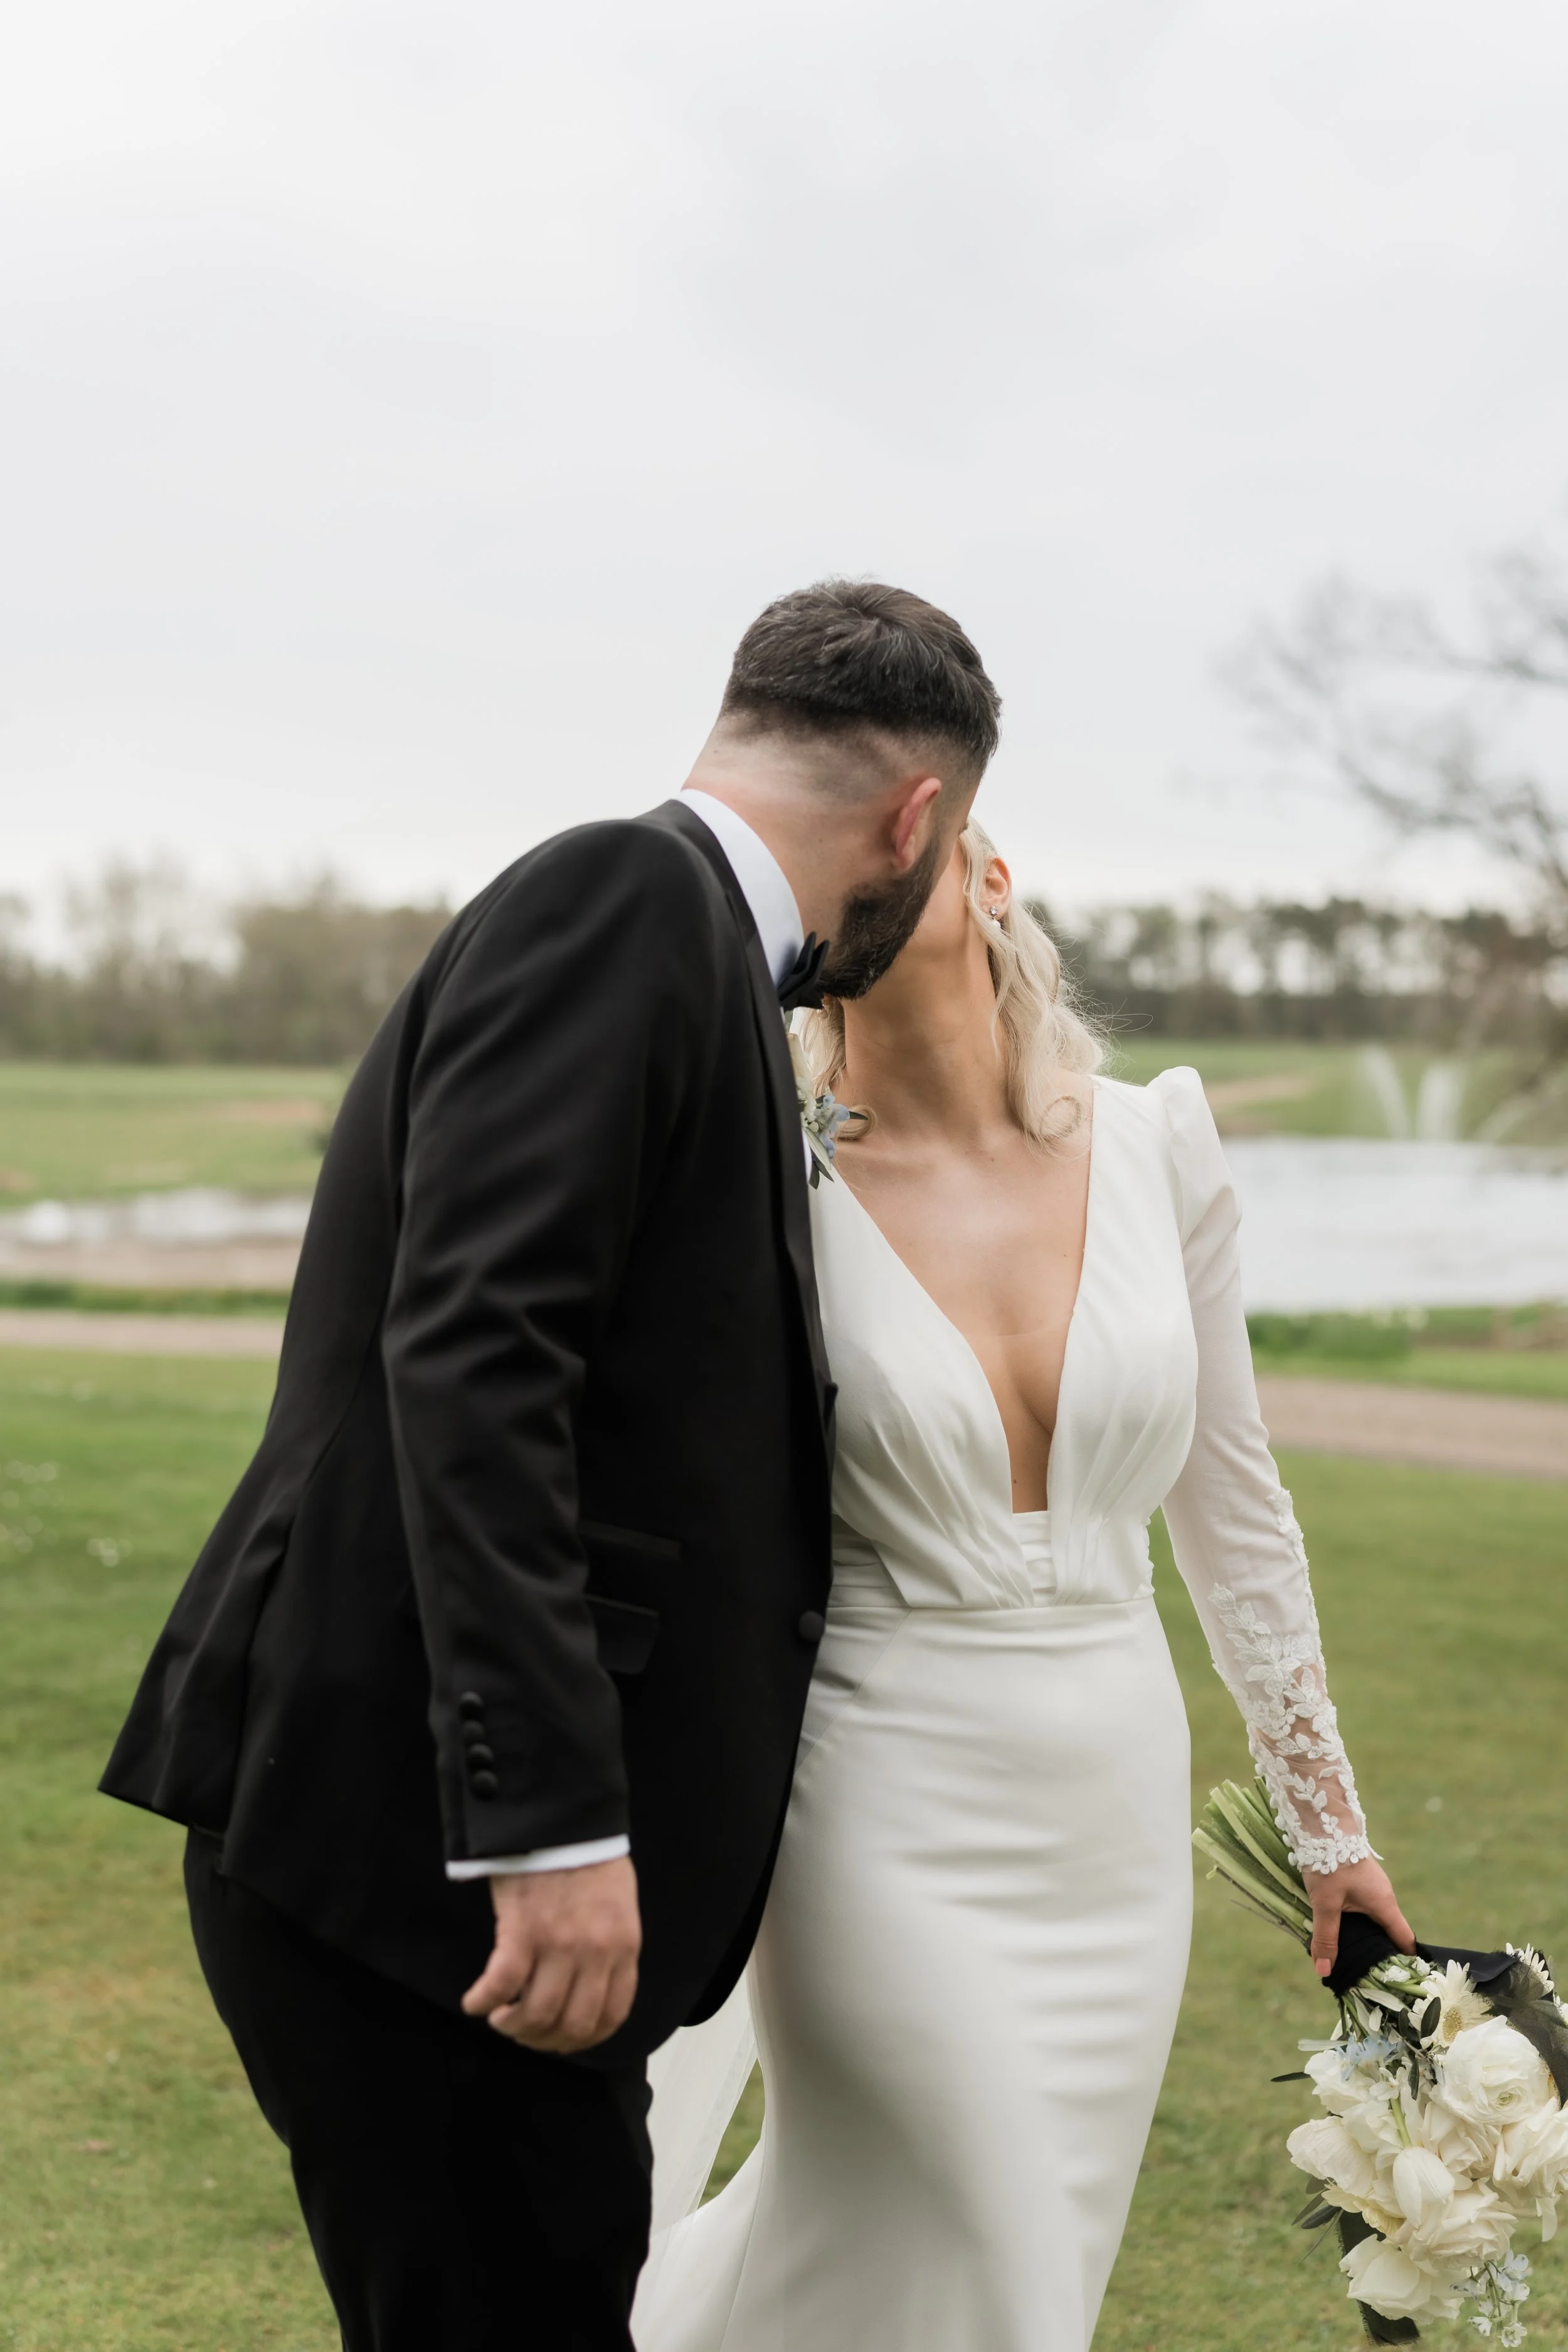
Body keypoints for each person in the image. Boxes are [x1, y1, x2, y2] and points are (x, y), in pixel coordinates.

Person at [98, 580, 1002, 2351]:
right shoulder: (620, 904)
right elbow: (475, 1353)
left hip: (450, 1888)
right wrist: (550, 1822)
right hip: (430, 1876)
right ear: (915, 818)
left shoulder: (686, 949)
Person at [631, 821, 1414, 2352]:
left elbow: (1234, 1505)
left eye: (886, 846)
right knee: (984, 2257)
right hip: (868, 1795)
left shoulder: (1154, 1144)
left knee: (959, 2263)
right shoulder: (755, 1176)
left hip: (1108, 1819)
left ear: (989, 879)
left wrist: (1330, 1833)